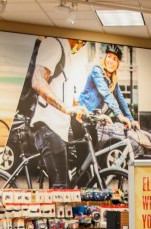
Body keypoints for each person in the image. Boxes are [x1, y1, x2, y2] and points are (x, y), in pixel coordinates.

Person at [30, 37, 87, 189]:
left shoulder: (66, 54)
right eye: (83, 42)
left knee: (61, 191)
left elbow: (62, 91)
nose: (81, 46)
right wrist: (66, 109)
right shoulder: (54, 44)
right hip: (49, 128)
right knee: (61, 191)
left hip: (56, 131)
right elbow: (37, 80)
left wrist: (77, 108)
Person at [78, 44, 139, 129]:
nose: (110, 61)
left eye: (114, 59)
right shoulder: (97, 71)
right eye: (109, 56)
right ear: (105, 58)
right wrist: (120, 115)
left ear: (117, 64)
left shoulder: (113, 81)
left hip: (93, 120)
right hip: (81, 116)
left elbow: (121, 100)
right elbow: (106, 93)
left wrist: (131, 120)